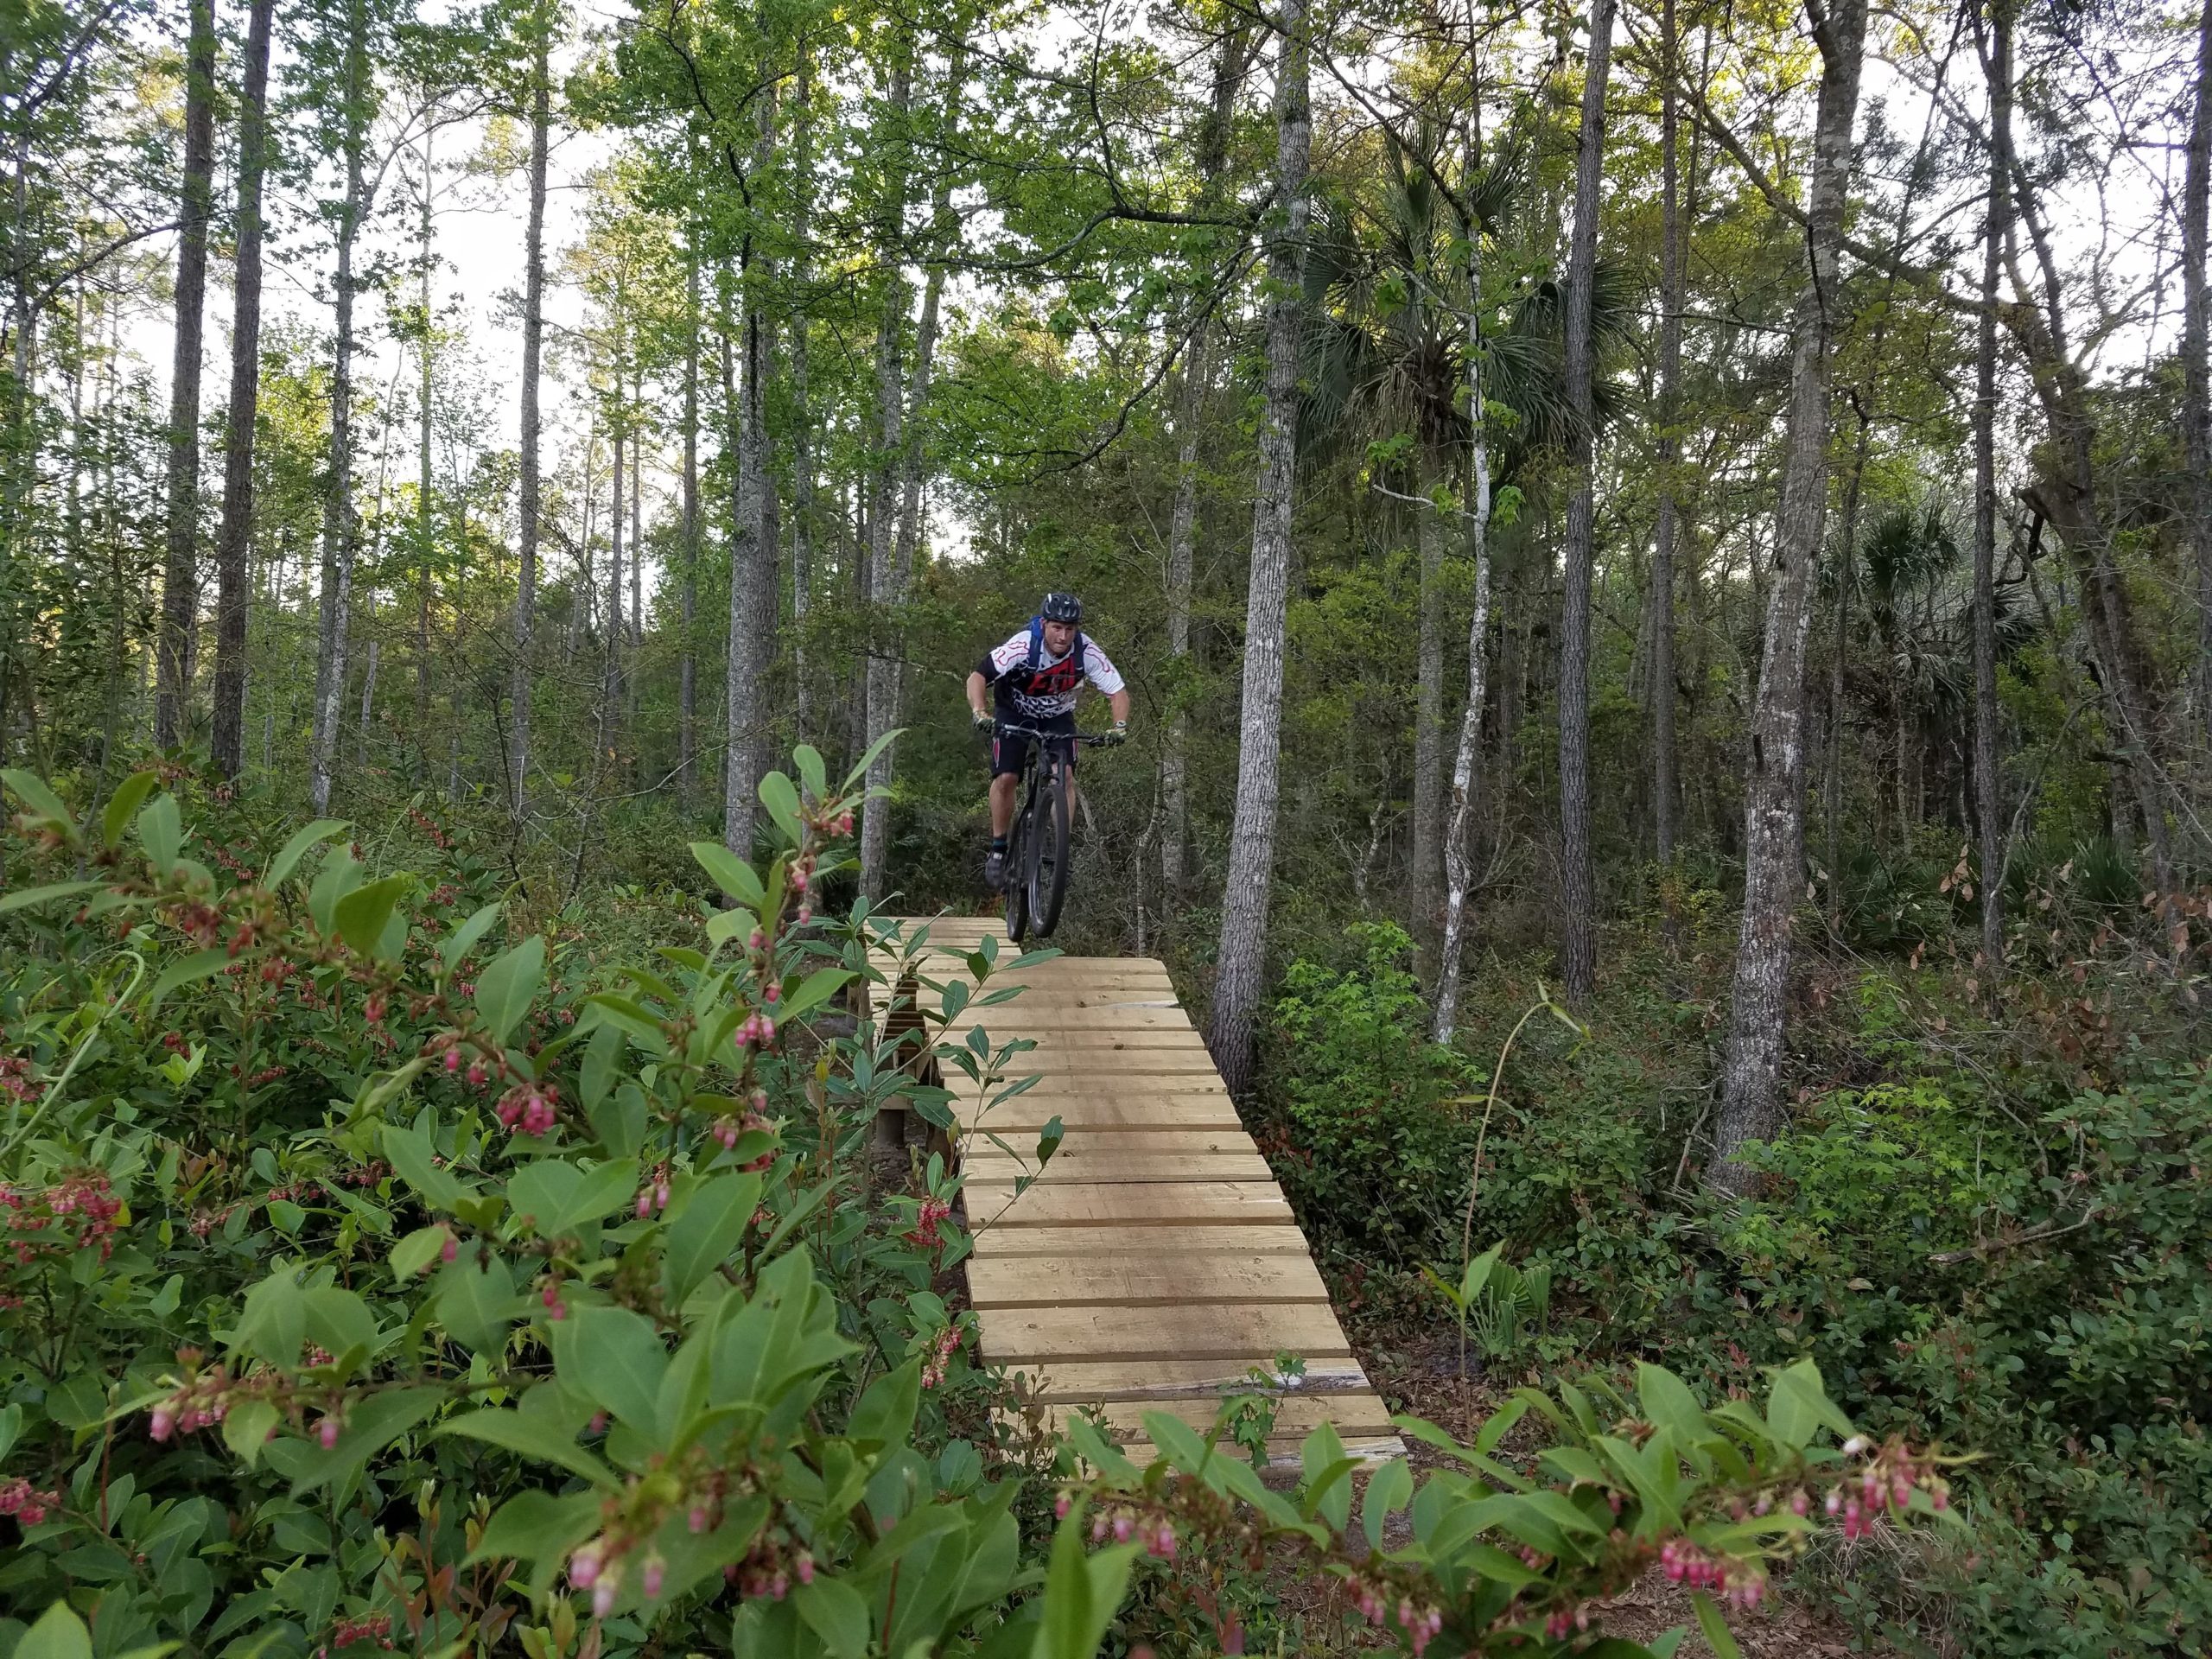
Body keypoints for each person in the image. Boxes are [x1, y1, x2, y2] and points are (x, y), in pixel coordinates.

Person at [966, 591, 1129, 891]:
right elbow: (977, 676)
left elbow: (1117, 691)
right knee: (1006, 777)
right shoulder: (1023, 644)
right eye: (1057, 627)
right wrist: (980, 712)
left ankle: (1059, 847)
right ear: (1044, 624)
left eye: (1070, 629)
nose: (1063, 636)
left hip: (1057, 716)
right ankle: (999, 847)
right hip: (1013, 712)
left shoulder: (1086, 651)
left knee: (1064, 774)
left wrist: (1119, 727)